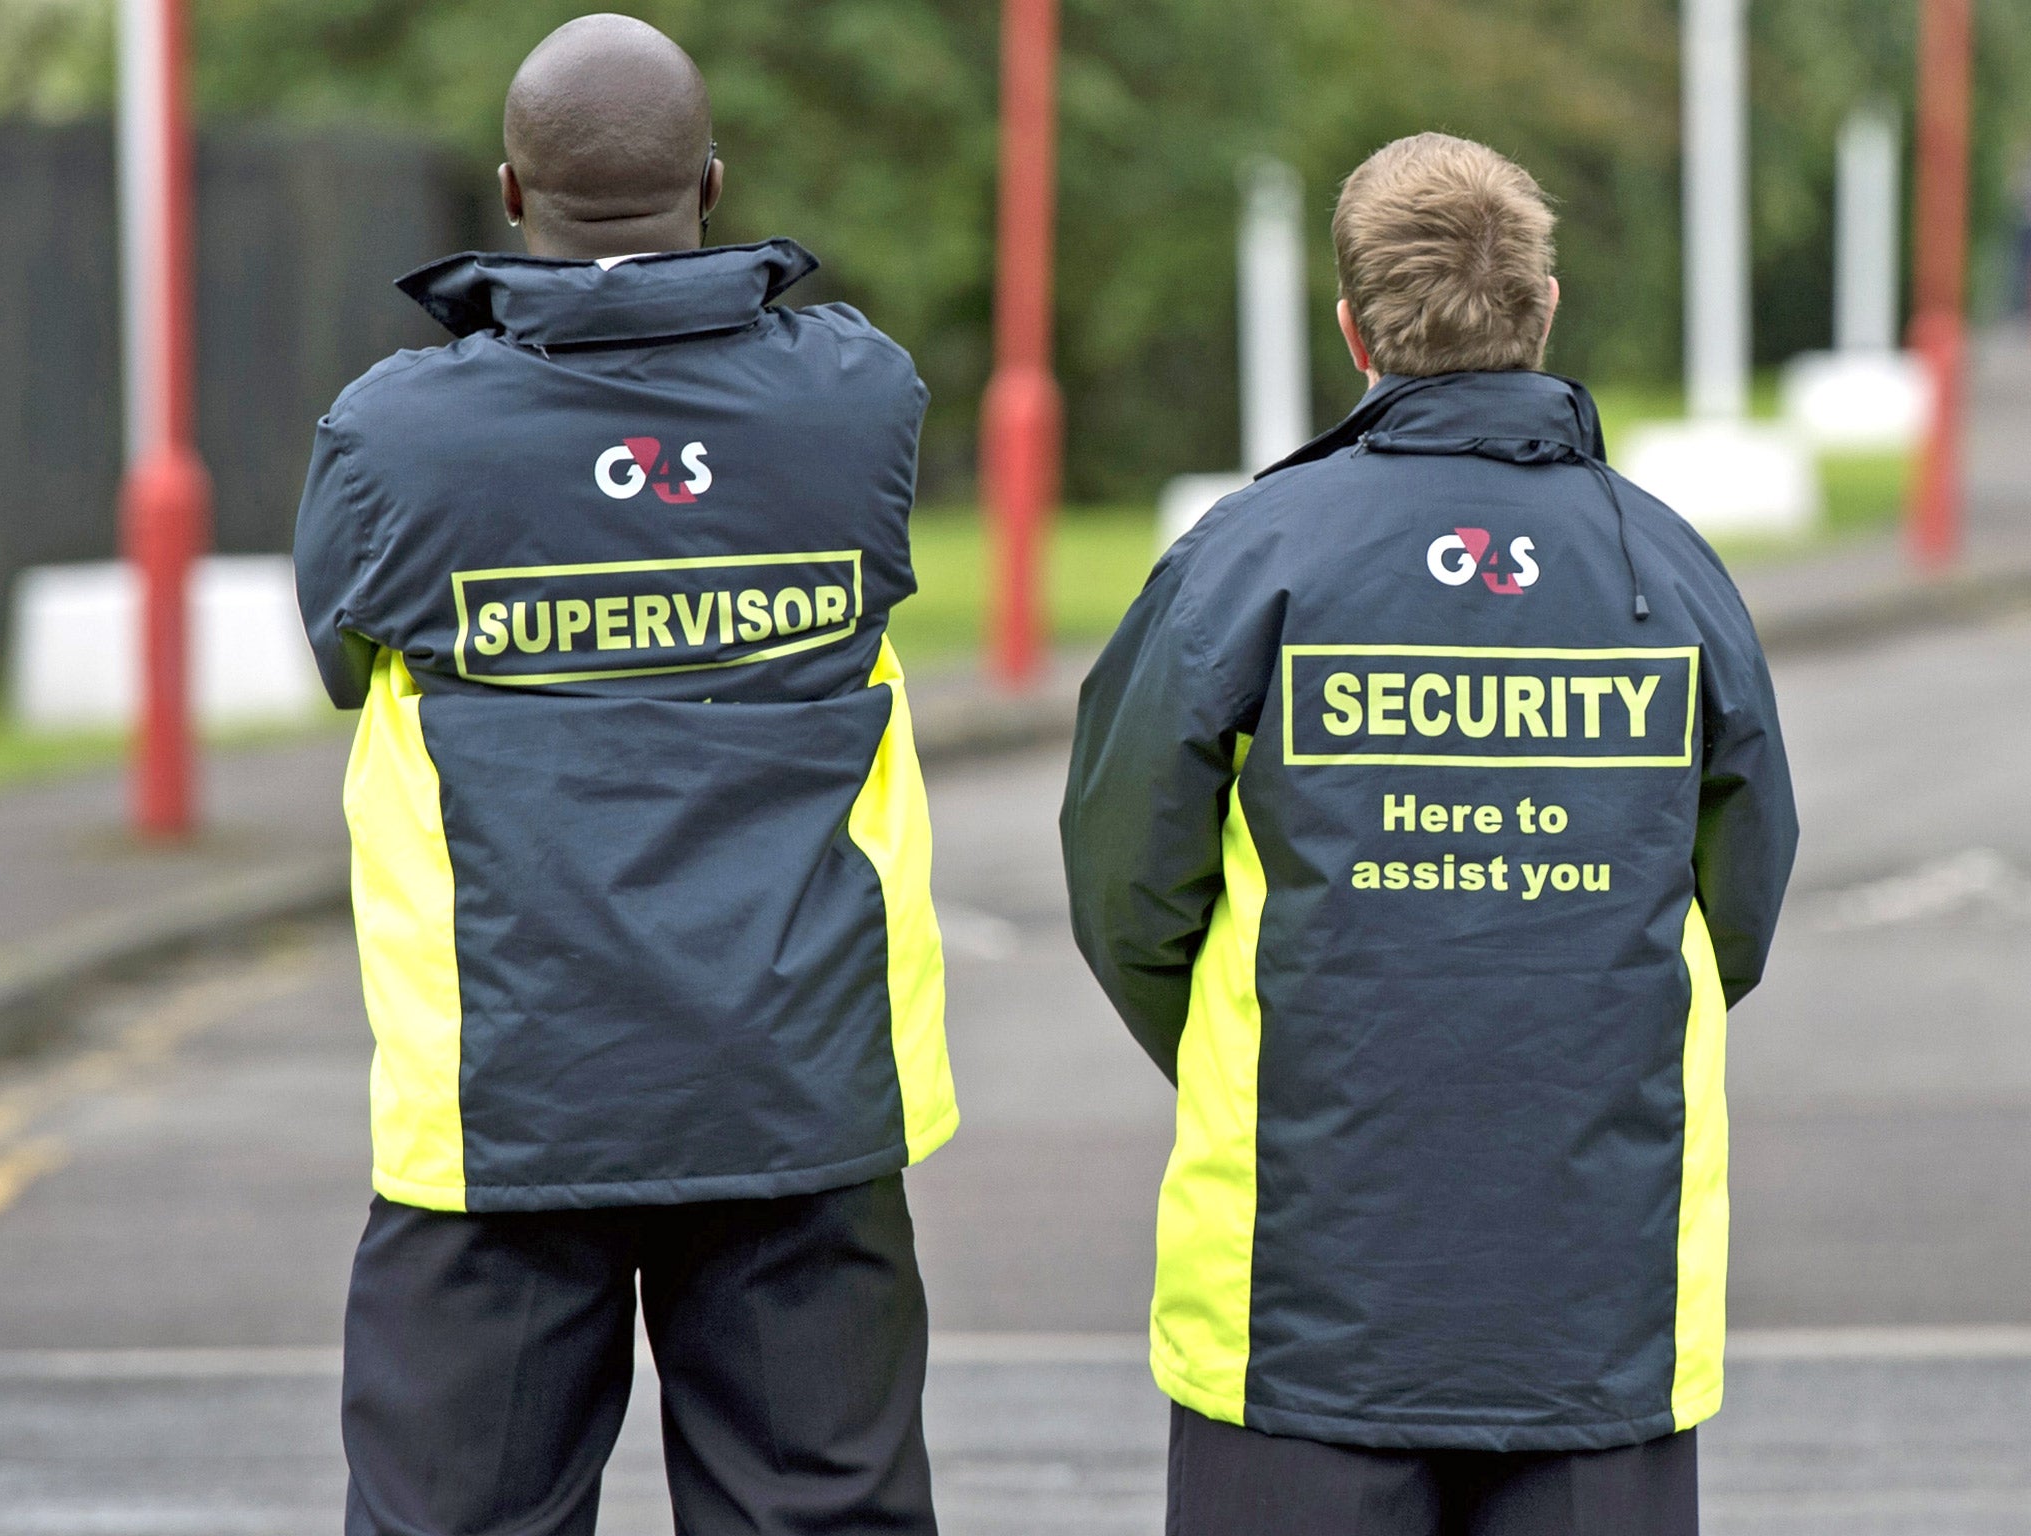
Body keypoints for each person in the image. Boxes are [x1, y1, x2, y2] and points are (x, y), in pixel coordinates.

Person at [1059, 132, 1798, 1536]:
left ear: (1350, 330)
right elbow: (1738, 901)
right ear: (1546, 310)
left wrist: (1254, 1041)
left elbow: (1124, 884)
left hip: (1299, 1308)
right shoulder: (1669, 568)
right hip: (1600, 1302)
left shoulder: (1244, 561)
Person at [293, 16, 955, 1535]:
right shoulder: (858, 400)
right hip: (799, 1081)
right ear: (711, 185)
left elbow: (343, 660)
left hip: (507, 1096)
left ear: (512, 194)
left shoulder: (398, 435)